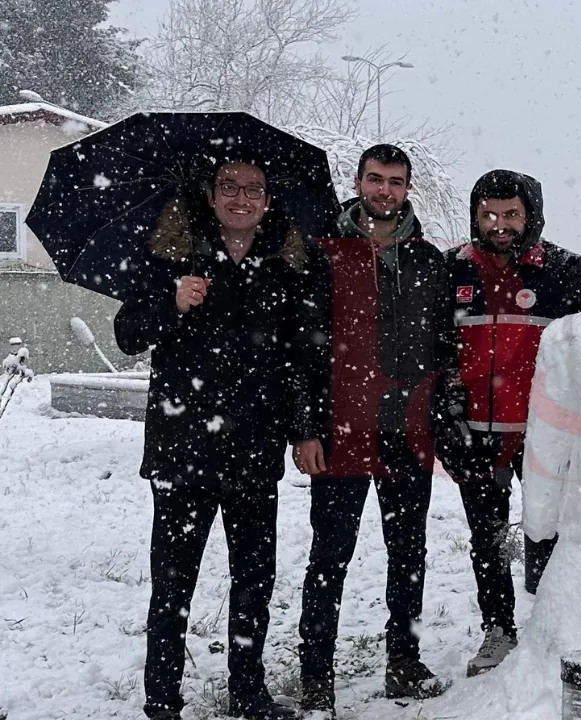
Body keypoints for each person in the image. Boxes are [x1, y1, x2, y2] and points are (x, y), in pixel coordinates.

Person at [116, 159, 330, 720]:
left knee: (255, 578)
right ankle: (162, 699)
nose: (242, 198)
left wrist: (305, 429)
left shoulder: (286, 262)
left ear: (266, 199)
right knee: (172, 581)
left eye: (253, 190)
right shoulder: (173, 253)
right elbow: (127, 335)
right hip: (182, 448)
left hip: (255, 449)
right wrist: (172, 302)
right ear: (210, 196)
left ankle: (248, 691)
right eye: (230, 188)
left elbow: (299, 356)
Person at [435, 169, 581, 677]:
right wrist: (446, 420)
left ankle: (556, 625)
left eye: (511, 214)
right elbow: (430, 349)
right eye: (489, 214)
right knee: (487, 537)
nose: (499, 225)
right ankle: (498, 629)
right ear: (475, 214)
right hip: (473, 435)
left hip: (544, 437)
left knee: (551, 532)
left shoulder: (560, 270)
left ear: (531, 215)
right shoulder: (453, 271)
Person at [295, 145, 455, 715]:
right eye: (375, 179)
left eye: (395, 181)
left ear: (408, 187)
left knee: (409, 551)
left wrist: (439, 420)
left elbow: (444, 348)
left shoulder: (429, 261)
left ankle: (403, 664)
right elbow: (304, 351)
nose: (384, 190)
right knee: (329, 553)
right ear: (359, 181)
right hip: (342, 430)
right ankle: (316, 673)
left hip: (407, 432)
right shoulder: (321, 255)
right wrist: (306, 429)